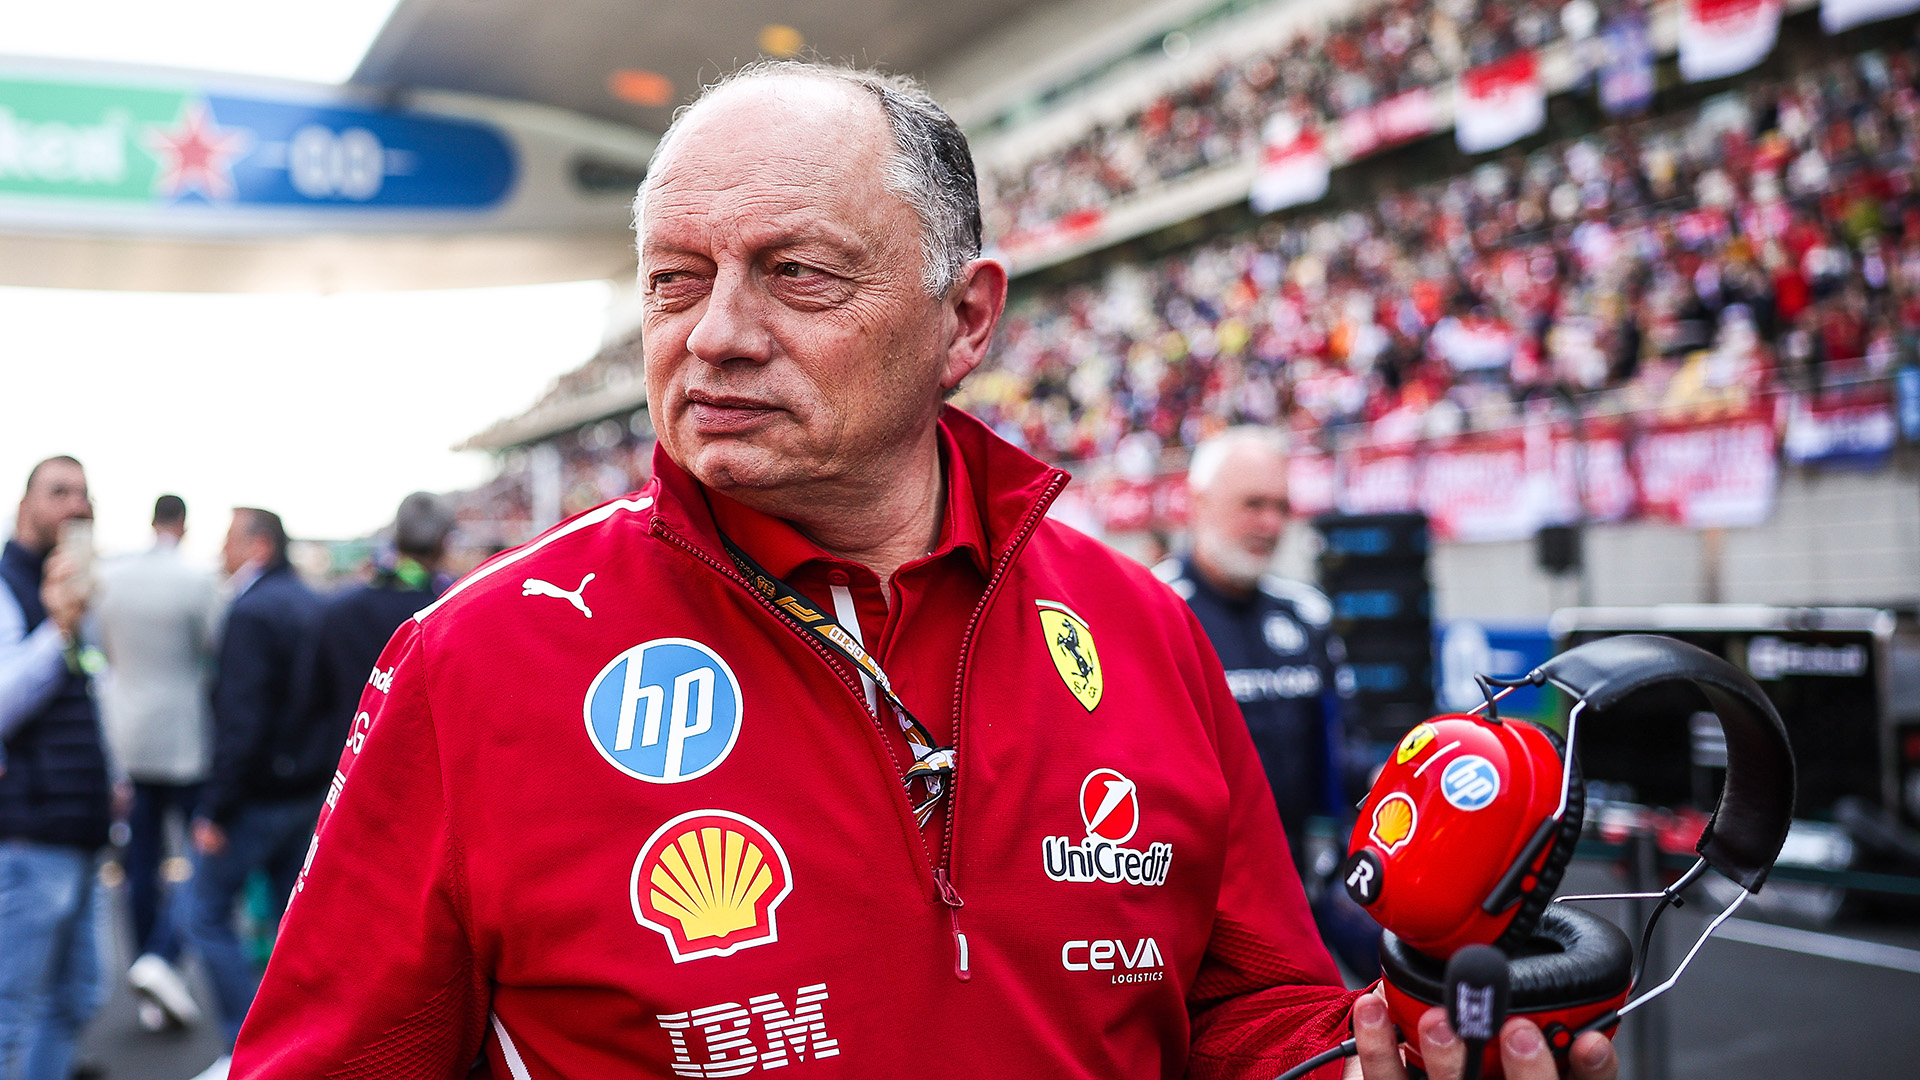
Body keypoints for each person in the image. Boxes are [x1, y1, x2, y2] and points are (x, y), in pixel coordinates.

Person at [232, 63, 1617, 1080]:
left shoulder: (1143, 627)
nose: (715, 334)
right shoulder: (474, 662)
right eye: (675, 279)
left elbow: (1251, 1010)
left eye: (796, 273)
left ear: (966, 320)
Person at [1156, 428, 1380, 980]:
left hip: (1304, 895)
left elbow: (1346, 753)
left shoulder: (1307, 614)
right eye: (1253, 504)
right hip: (1192, 912)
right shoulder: (1153, 611)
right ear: (1199, 503)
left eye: (1282, 507)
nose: (1272, 524)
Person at [186, 508, 319, 1080]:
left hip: (258, 795)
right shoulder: (310, 602)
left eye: (230, 539)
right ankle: (300, 1041)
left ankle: (247, 1046)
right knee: (295, 925)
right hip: (305, 790)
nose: (221, 549)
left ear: (259, 546)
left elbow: (242, 719)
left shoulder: (252, 610)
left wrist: (215, 808)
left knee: (204, 914)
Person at [0, 456, 111, 1080]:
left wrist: (115, 780)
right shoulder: (7, 587)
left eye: (83, 493)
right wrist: (58, 630)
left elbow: (89, 690)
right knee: (8, 1013)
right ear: (25, 507)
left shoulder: (71, 585)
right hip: (29, 833)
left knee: (76, 999)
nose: (77, 505)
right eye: (59, 492)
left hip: (81, 827)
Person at [94, 493, 217, 1032]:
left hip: (130, 734)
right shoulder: (197, 580)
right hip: (186, 735)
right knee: (201, 856)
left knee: (139, 864)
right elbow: (212, 651)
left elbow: (104, 653)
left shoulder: (112, 578)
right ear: (183, 524)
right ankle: (165, 963)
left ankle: (146, 961)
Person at [286, 492, 454, 805]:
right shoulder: (452, 612)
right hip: (427, 783)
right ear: (443, 542)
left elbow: (306, 699)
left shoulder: (338, 610)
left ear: (396, 536)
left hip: (349, 774)